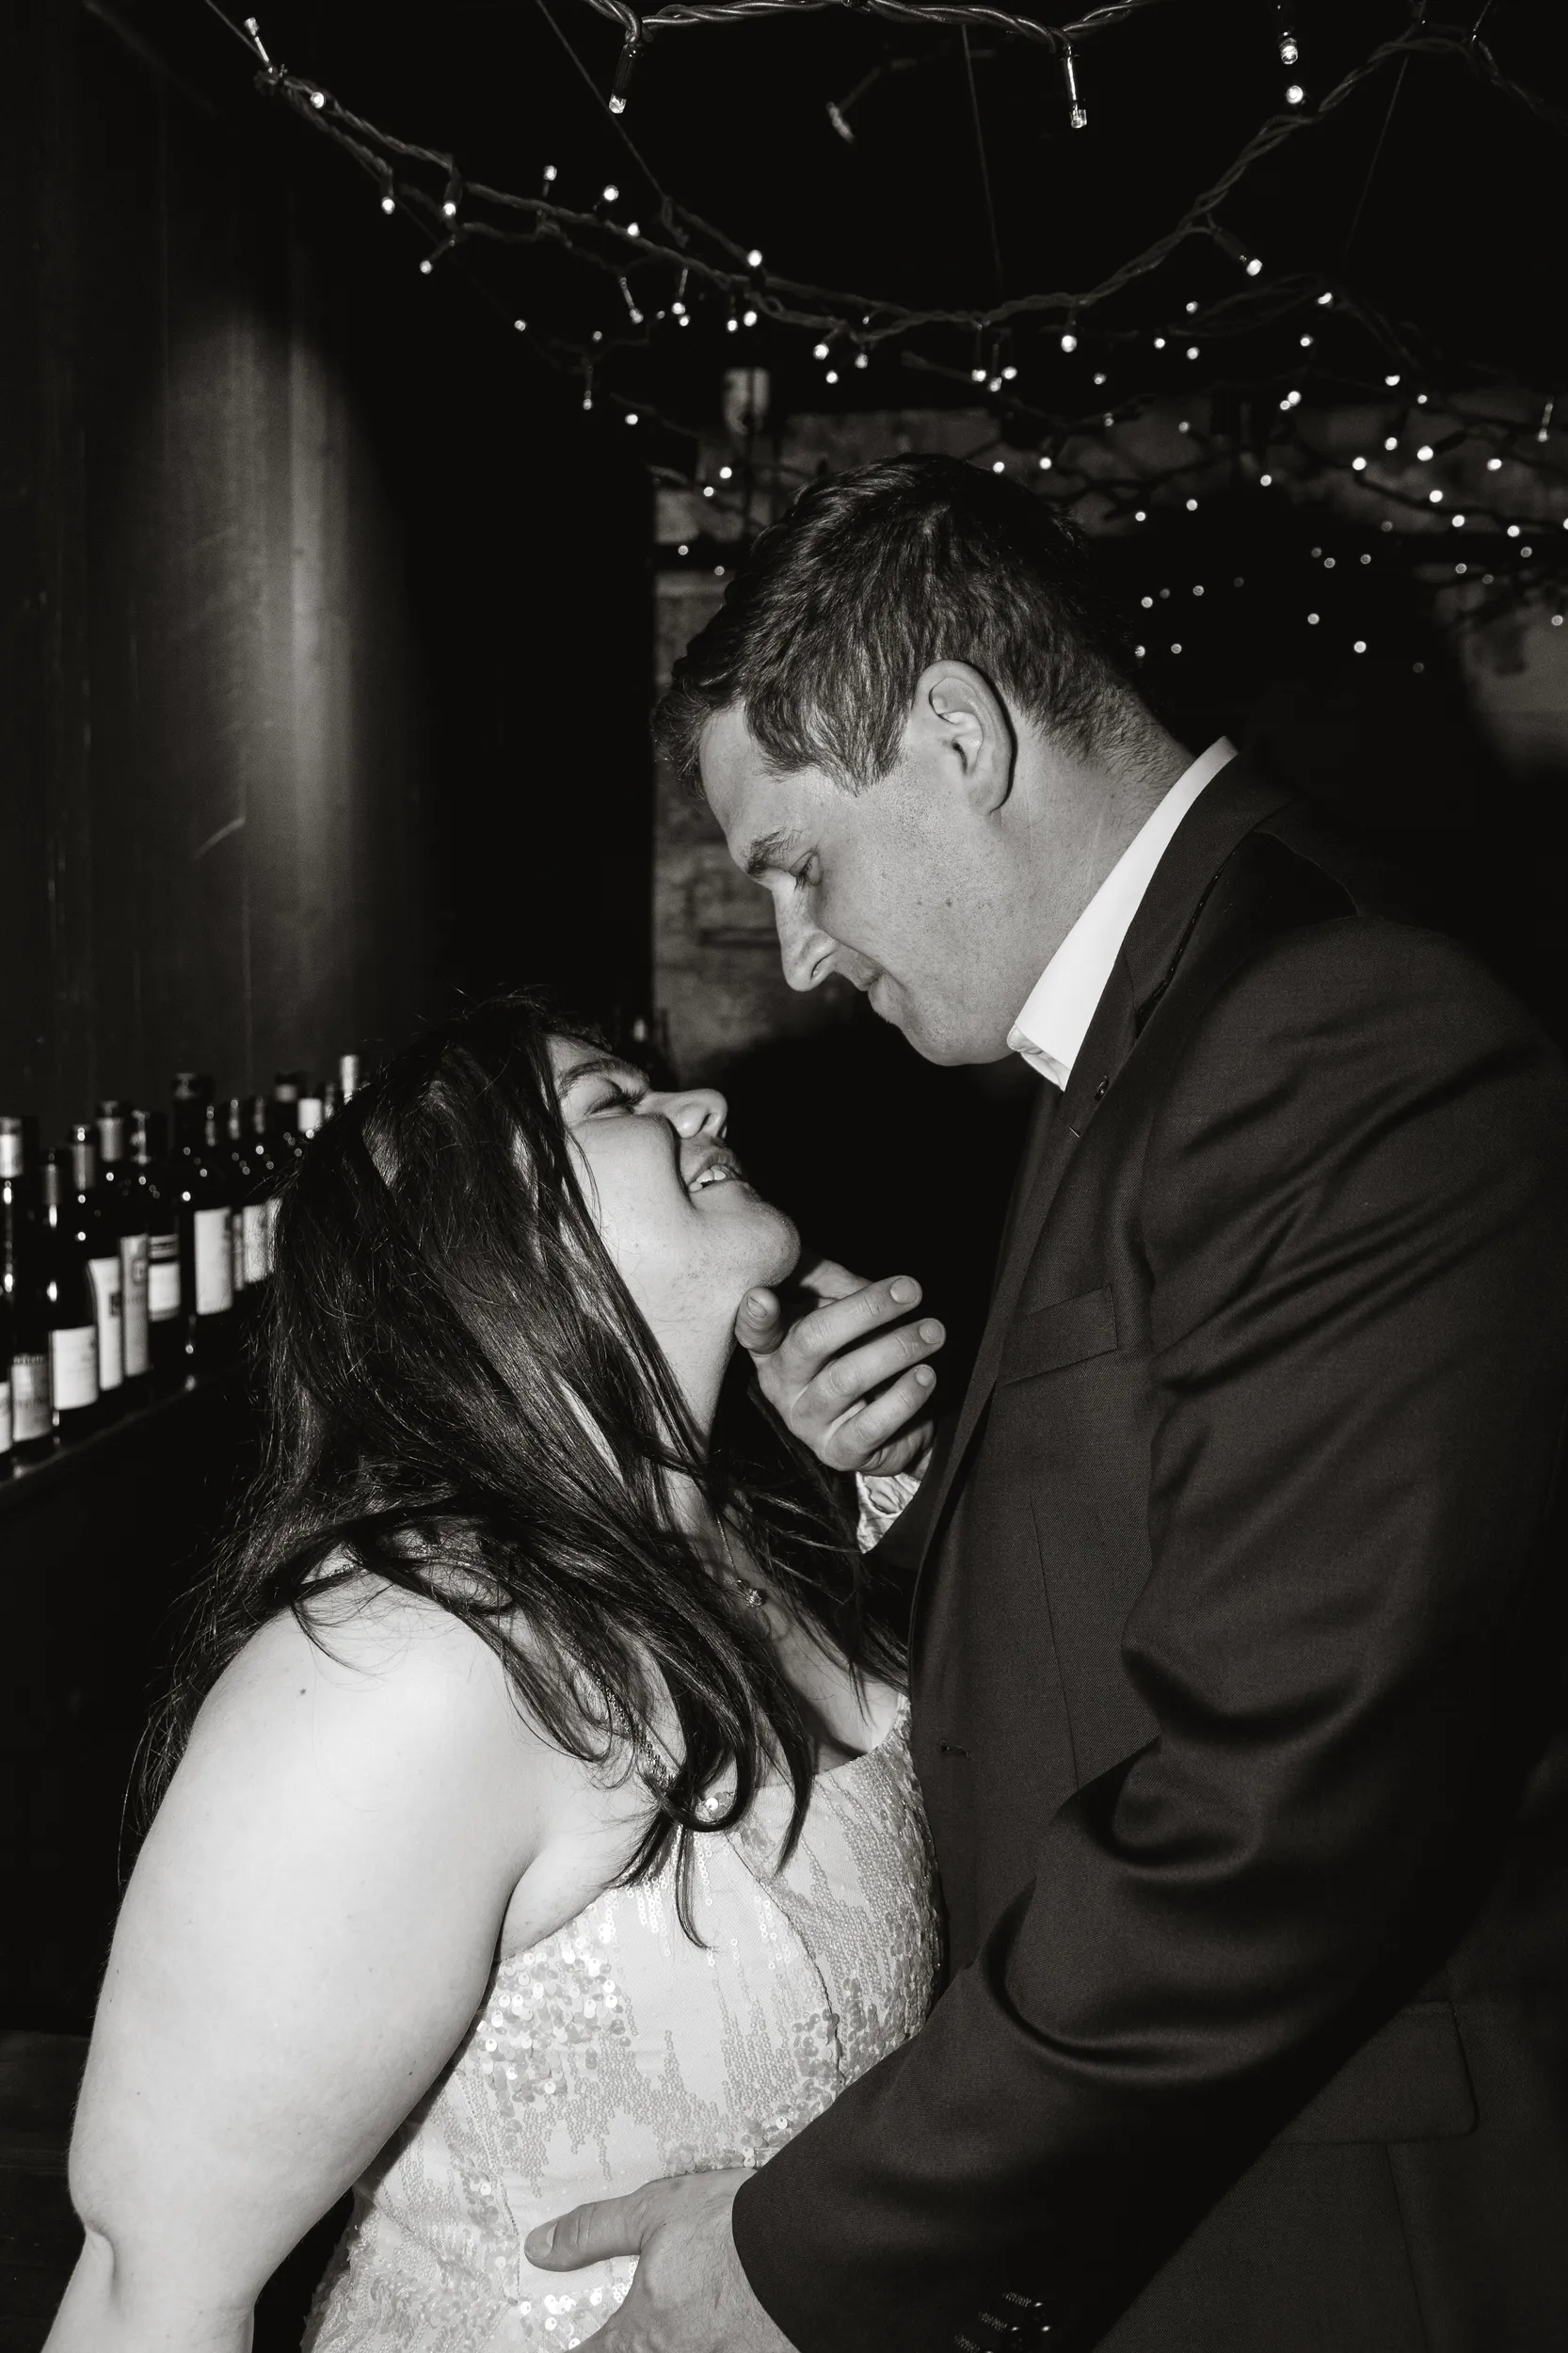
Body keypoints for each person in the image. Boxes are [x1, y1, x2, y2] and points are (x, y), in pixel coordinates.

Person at [526, 454, 1568, 2351]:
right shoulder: (1176, 1019)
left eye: (798, 863)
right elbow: (1187, 1547)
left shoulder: (1327, 1037)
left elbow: (1273, 1808)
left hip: (1330, 2233)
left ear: (951, 736)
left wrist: (794, 2255)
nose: (798, 952)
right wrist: (906, 1488)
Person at [46, 994, 947, 2353]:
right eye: (610, 1104)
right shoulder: (413, 1670)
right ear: (487, 1247)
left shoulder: (761, 1541)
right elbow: (151, 2280)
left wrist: (890, 1489)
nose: (699, 1110)